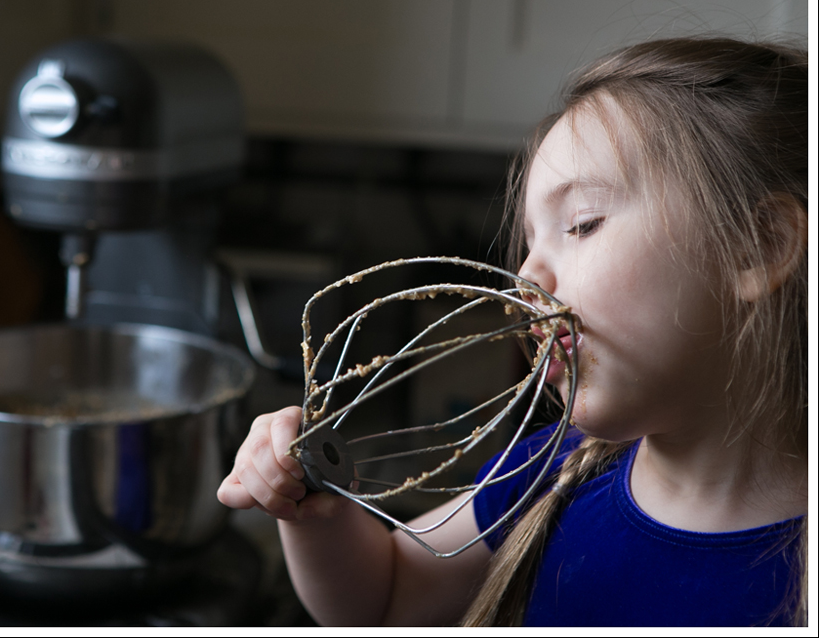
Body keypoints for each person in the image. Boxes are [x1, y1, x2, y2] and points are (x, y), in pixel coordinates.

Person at [217, 36, 808, 627]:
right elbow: (389, 598)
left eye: (581, 224)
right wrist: (315, 512)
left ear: (756, 247)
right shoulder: (549, 475)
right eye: (528, 244)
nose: (524, 277)